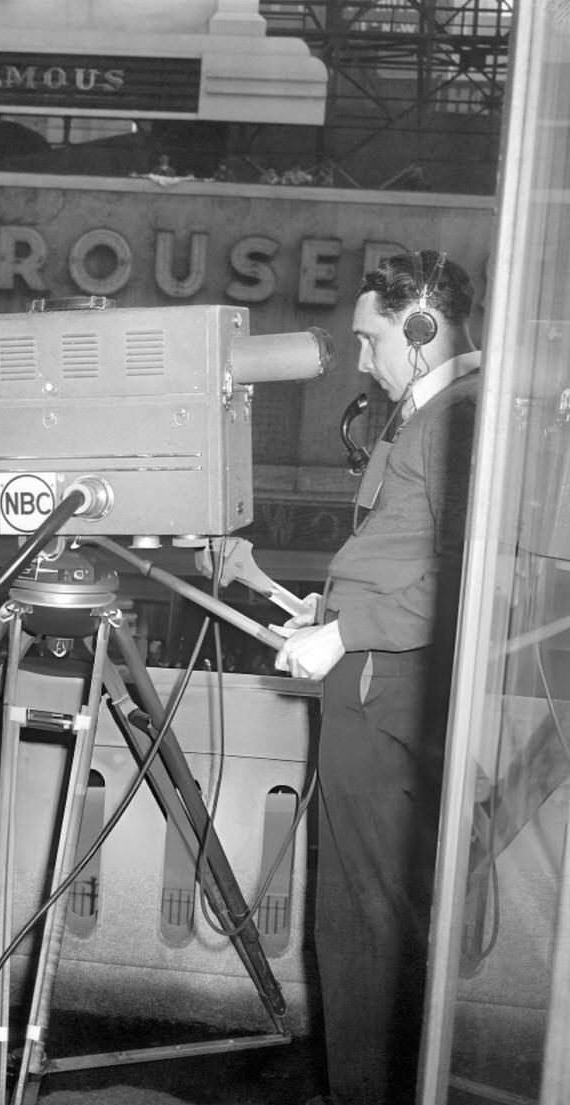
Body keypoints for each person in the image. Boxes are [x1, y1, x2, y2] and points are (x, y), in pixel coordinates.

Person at [275, 250, 480, 1105]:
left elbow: (465, 584)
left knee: (365, 923)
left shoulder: (453, 422)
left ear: (422, 328)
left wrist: (350, 631)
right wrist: (330, 614)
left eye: (373, 339)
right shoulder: (429, 413)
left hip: (384, 689)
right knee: (358, 915)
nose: (360, 360)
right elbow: (399, 555)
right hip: (369, 677)